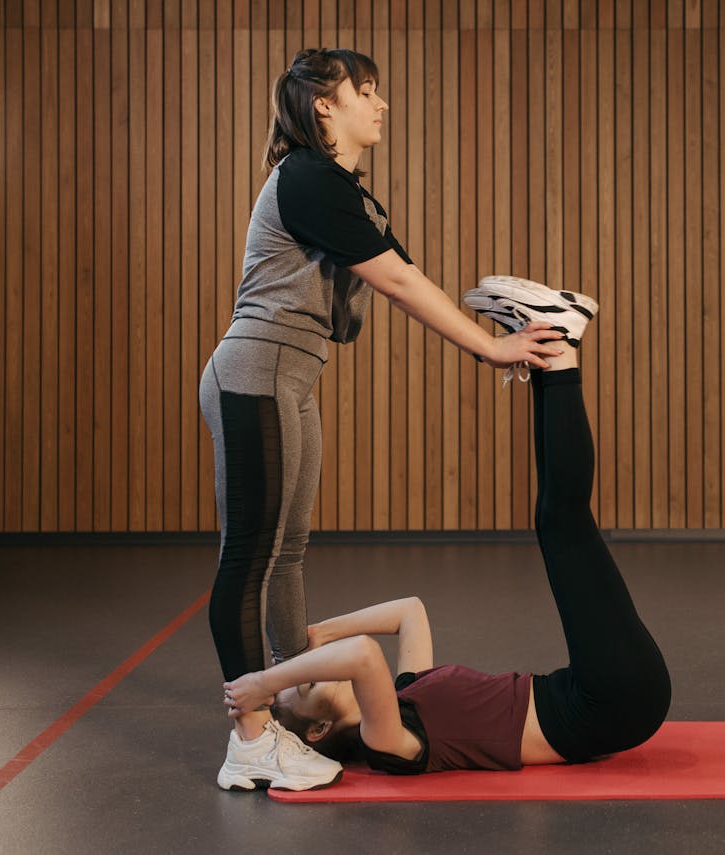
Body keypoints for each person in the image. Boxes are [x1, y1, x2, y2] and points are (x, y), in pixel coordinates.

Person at [199, 49, 565, 791]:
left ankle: (288, 697)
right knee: (250, 554)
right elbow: (397, 281)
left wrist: (492, 314)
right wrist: (492, 348)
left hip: (294, 377)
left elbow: (400, 266)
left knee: (288, 551)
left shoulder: (347, 192)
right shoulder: (305, 175)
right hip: (257, 372)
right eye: (366, 91)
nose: (382, 103)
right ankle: (250, 736)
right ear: (323, 107)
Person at [221, 279, 671, 782]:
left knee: (554, 519)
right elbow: (365, 657)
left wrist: (321, 632)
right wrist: (264, 683)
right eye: (306, 686)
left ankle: (548, 342)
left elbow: (409, 612)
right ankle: (559, 344)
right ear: (321, 729)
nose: (313, 669)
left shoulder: (407, 693)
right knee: (563, 522)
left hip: (601, 691)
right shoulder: (388, 743)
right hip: (610, 701)